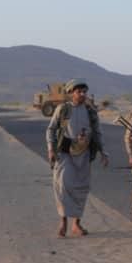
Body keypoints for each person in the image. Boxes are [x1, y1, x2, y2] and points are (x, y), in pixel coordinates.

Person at [46, 79, 109, 237]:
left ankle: (76, 225)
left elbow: (97, 131)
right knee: (63, 187)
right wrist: (50, 150)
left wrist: (103, 151)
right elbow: (51, 129)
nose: (82, 94)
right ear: (71, 93)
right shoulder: (63, 109)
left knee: (81, 188)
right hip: (65, 153)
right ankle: (63, 223)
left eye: (84, 92)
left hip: (84, 154)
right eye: (79, 91)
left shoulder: (90, 111)